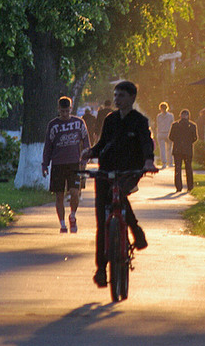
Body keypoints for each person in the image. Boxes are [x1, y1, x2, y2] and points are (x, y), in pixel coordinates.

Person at [82, 80, 155, 288]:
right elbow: (102, 143)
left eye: (121, 95)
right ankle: (101, 270)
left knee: (121, 194)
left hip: (130, 170)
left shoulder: (139, 121)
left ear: (132, 98)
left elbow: (146, 142)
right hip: (106, 171)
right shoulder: (110, 119)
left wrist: (148, 161)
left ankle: (135, 231)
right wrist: (90, 152)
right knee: (102, 220)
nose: (117, 99)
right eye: (115, 95)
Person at [41, 96, 91, 234]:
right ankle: (62, 224)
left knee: (75, 192)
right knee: (59, 195)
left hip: (74, 164)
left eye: (67, 111)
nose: (65, 114)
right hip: (58, 164)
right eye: (62, 111)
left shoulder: (79, 123)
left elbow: (86, 141)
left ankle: (73, 215)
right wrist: (45, 164)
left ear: (71, 108)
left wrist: (85, 159)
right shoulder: (53, 125)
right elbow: (48, 146)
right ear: (58, 110)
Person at [168, 108, 198, 193]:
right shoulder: (192, 126)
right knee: (188, 168)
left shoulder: (175, 125)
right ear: (188, 116)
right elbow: (195, 138)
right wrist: (188, 142)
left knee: (177, 169)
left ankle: (178, 187)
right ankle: (190, 186)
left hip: (177, 149)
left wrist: (178, 142)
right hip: (188, 149)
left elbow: (171, 137)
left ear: (180, 116)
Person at [155, 102, 175, 168]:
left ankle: (165, 163)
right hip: (167, 133)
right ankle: (170, 163)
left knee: (163, 149)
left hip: (162, 133)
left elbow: (158, 125)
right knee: (168, 149)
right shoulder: (170, 116)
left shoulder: (159, 116)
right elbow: (172, 125)